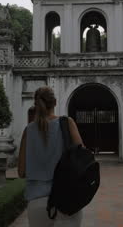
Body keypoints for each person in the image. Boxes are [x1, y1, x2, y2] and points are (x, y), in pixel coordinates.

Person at [18, 86, 84, 227]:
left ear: (36, 105)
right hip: (67, 199)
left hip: (37, 202)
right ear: (55, 102)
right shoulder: (68, 123)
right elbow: (82, 158)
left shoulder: (28, 131)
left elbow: (21, 172)